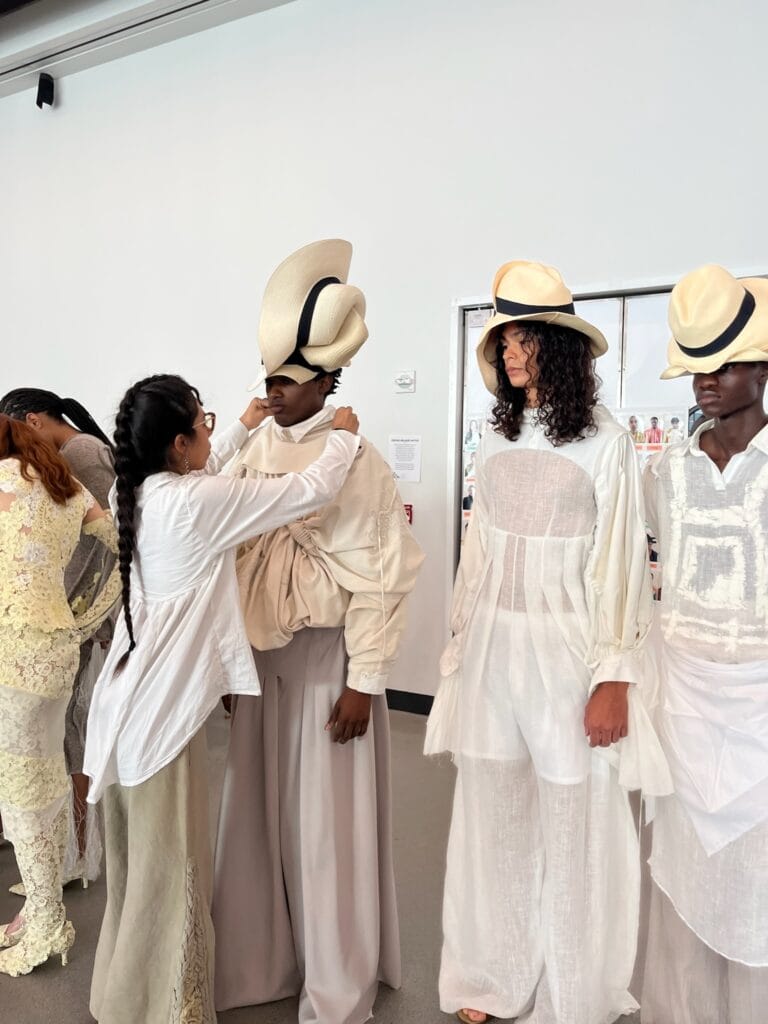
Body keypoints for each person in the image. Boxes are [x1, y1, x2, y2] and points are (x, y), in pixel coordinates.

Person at [424, 260, 669, 1024]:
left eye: (522, 338)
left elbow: (621, 561)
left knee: (575, 825)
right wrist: (459, 647)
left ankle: (572, 993)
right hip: (493, 652)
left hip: (567, 658)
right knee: (492, 818)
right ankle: (489, 978)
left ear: (557, 346)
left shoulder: (606, 442)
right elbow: (480, 546)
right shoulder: (495, 437)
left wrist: (614, 676)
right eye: (502, 340)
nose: (508, 352)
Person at [84, 373, 361, 1024]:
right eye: (202, 423)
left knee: (135, 873)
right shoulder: (196, 503)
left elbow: (208, 475)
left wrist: (242, 425)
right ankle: (165, 1009)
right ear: (179, 445)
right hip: (163, 722)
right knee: (171, 876)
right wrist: (344, 439)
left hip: (123, 709)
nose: (212, 431)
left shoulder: (134, 489)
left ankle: (119, 997)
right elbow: (306, 491)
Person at [213, 240, 423, 1024]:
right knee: (255, 818)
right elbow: (225, 560)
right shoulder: (252, 450)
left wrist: (365, 681)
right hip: (259, 661)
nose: (273, 392)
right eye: (268, 379)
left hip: (327, 662)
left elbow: (379, 576)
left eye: (288, 381)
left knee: (326, 827)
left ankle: (335, 980)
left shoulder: (359, 460)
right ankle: (258, 964)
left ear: (328, 381)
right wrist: (230, 665)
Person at [641, 264, 768, 1023]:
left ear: (763, 368)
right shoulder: (670, 469)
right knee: (686, 878)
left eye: (723, 364)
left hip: (761, 710)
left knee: (757, 886)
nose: (706, 382)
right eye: (697, 367)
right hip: (684, 703)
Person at [0, 414, 119, 976]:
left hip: (11, 654)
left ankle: (47, 919)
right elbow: (122, 549)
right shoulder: (64, 487)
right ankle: (41, 910)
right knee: (44, 780)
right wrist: (83, 619)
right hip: (54, 650)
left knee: (19, 793)